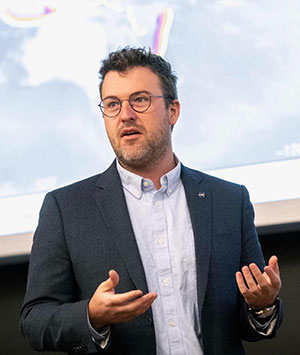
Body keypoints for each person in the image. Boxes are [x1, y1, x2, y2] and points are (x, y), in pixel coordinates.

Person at [21, 47, 282, 355]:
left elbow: (246, 322)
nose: (126, 114)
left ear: (173, 110)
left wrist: (262, 306)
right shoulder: (66, 209)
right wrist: (91, 316)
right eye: (112, 104)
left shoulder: (228, 200)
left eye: (140, 99)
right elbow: (35, 321)